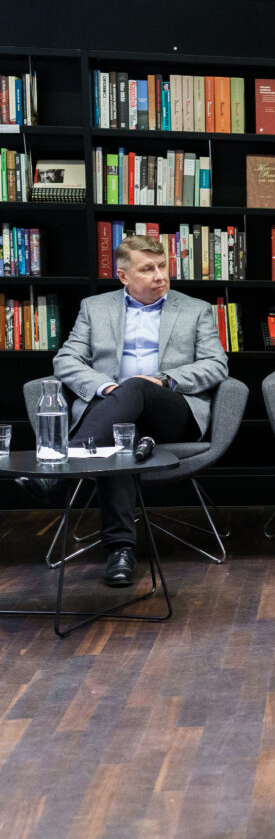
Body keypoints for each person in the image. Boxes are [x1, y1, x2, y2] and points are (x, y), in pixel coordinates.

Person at [22, 235, 228, 586]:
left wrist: (162, 380)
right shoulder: (95, 308)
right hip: (112, 410)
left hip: (171, 411)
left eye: (163, 266)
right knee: (120, 440)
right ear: (123, 276)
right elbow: (66, 359)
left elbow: (216, 365)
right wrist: (107, 387)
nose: (160, 275)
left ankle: (60, 469)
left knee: (137, 387)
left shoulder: (194, 309)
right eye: (148, 269)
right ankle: (120, 551)